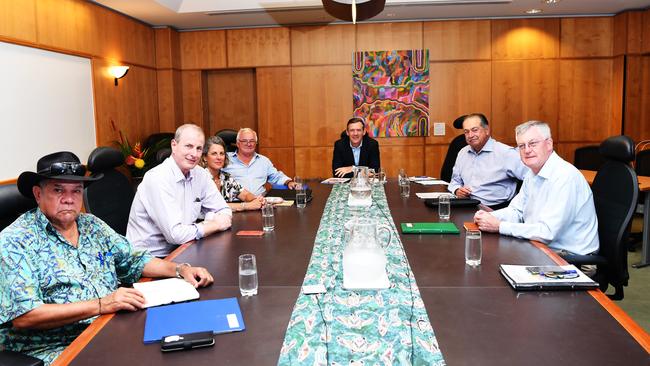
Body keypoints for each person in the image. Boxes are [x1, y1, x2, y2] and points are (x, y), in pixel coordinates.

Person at [0, 151, 214, 365]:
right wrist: (102, 304)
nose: (68, 199)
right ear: (38, 194)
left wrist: (180, 270)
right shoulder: (15, 241)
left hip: (110, 327)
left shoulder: (91, 224)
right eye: (58, 190)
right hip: (58, 349)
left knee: (189, 345)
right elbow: (26, 315)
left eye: (76, 191)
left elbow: (135, 259)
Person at [473, 120, 599, 264]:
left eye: (533, 144)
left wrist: (499, 226)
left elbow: (547, 232)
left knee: (494, 266)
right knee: (488, 259)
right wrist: (488, 217)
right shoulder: (532, 173)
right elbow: (517, 211)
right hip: (542, 246)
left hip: (570, 258)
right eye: (521, 146)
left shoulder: (564, 177)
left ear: (549, 144)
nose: (527, 150)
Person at [127, 124, 232, 257]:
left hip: (184, 247)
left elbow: (224, 210)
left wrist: (213, 220)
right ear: (174, 145)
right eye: (188, 146)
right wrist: (214, 224)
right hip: (150, 258)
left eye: (199, 148)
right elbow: (175, 235)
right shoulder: (157, 178)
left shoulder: (200, 174)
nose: (194, 154)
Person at [448, 113, 528, 209]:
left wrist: (518, 207)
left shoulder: (506, 153)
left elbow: (532, 179)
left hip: (495, 210)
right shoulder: (463, 152)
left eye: (475, 130)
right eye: (466, 132)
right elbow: (455, 181)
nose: (470, 135)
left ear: (487, 130)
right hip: (466, 205)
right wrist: (457, 190)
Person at [222, 128, 297, 195]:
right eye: (244, 141)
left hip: (260, 203)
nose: (248, 144)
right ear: (238, 144)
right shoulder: (225, 159)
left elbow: (276, 177)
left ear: (256, 144)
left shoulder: (263, 161)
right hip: (235, 204)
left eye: (252, 141)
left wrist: (288, 182)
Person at [203, 135, 265, 212]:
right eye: (214, 153)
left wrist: (258, 200)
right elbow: (214, 206)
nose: (219, 157)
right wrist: (246, 206)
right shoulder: (201, 178)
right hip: (202, 222)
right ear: (205, 157)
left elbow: (245, 195)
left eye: (222, 153)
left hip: (223, 221)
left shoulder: (225, 177)